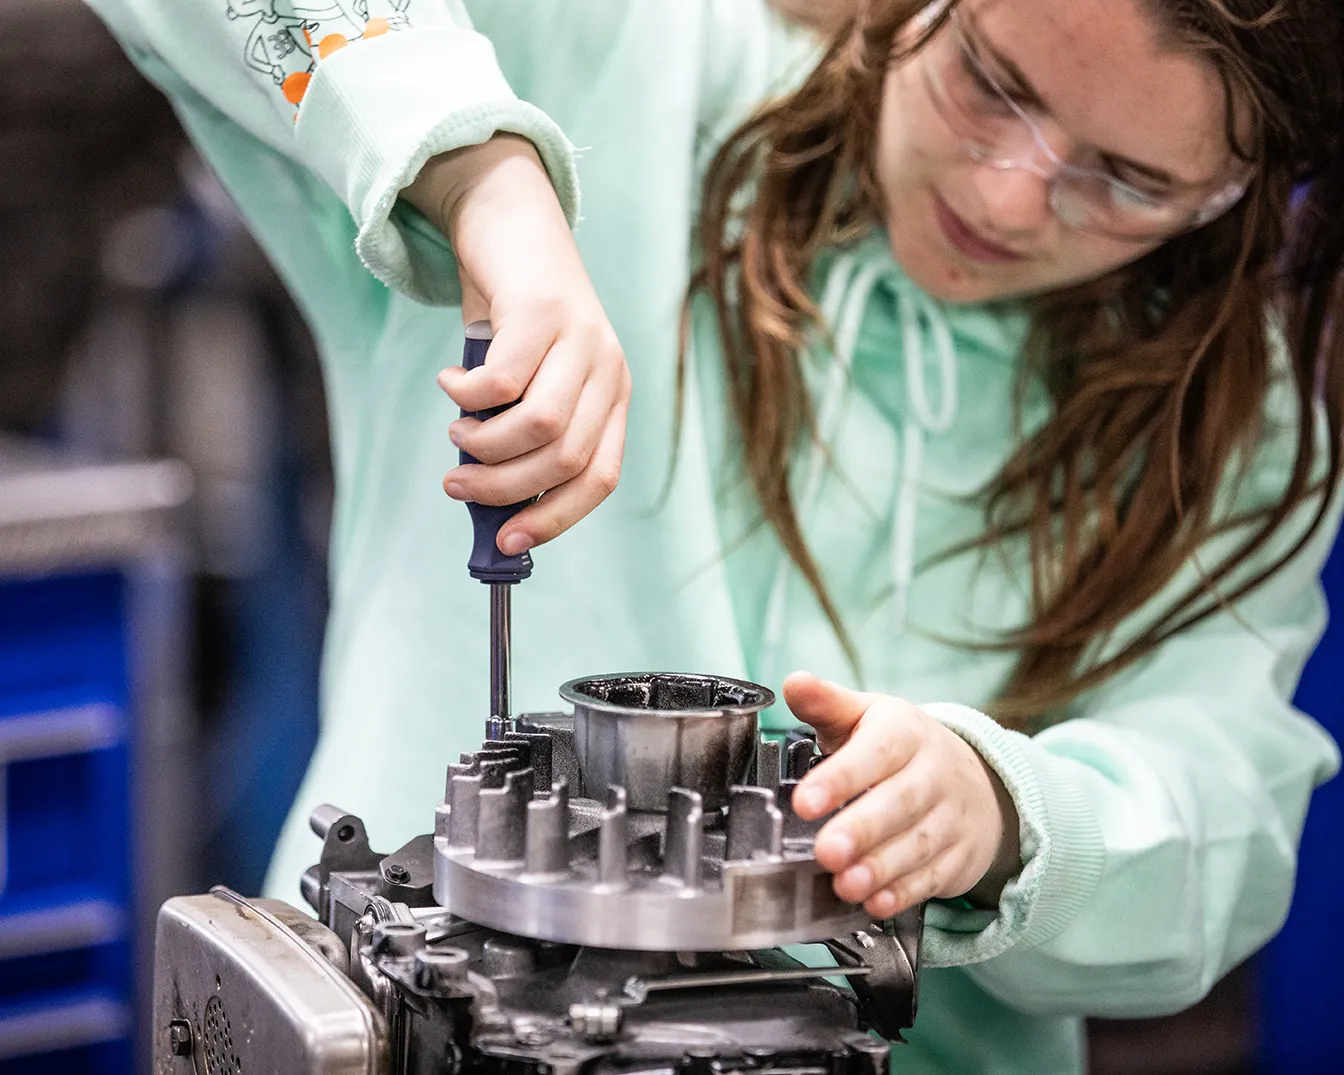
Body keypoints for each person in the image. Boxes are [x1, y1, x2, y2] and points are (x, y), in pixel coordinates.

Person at [85, 0, 1344, 1071]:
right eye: (991, 81)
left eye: (1129, 180)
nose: (1010, 194)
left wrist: (1009, 817)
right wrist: (486, 178)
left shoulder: (1223, 427)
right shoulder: (625, 73)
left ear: (1241, 195)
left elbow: (1221, 810)